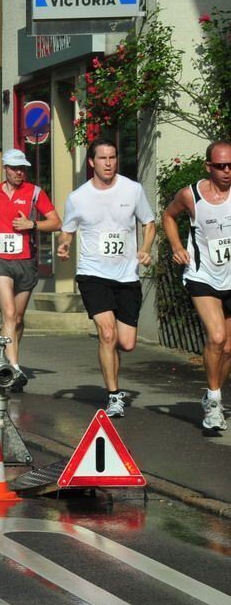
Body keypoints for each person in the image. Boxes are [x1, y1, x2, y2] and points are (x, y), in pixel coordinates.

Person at [57, 137, 156, 418]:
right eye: (103, 158)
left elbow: (149, 223)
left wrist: (146, 249)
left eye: (112, 157)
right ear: (91, 162)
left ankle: (111, 362)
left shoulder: (133, 190)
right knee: (107, 332)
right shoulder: (78, 197)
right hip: (93, 274)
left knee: (126, 342)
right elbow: (67, 230)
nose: (109, 163)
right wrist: (63, 245)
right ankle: (114, 396)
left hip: (126, 275)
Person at [0, 149, 61, 388]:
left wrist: (31, 223)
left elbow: (56, 222)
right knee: (10, 314)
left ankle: (5, 359)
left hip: (26, 262)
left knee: (18, 319)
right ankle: (12, 369)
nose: (19, 173)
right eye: (15, 168)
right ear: (5, 168)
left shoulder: (34, 193)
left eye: (22, 168)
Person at [161, 140, 231, 431]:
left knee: (227, 349)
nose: (227, 171)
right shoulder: (191, 195)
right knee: (216, 337)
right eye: (220, 166)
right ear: (208, 166)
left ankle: (210, 394)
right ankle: (215, 403)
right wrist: (177, 246)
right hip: (202, 276)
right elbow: (168, 216)